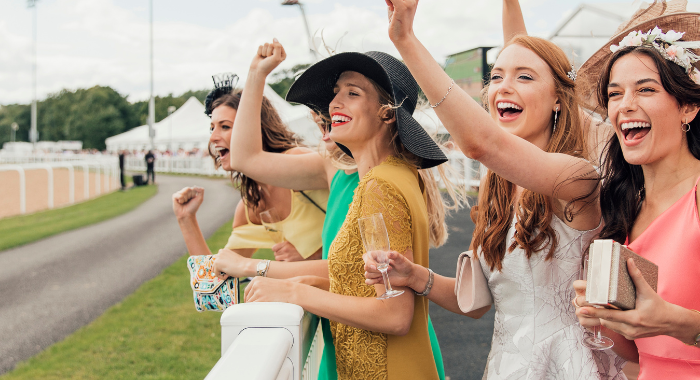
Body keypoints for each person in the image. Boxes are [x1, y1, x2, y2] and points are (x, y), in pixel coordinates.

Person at [364, 1, 626, 378]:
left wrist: (405, 40)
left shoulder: (579, 177)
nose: (504, 86)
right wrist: (414, 276)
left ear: (558, 99)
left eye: (524, 77)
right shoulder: (498, 188)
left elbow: (481, 144)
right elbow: (479, 302)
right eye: (497, 76)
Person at [213, 39, 461, 380]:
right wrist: (304, 279)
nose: (333, 103)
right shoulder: (391, 175)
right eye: (335, 92)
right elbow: (357, 276)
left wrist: (293, 289)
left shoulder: (380, 187)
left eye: (352, 93)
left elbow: (394, 315)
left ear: (386, 113)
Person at [571, 4, 700, 379]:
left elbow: (671, 329)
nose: (626, 105)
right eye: (615, 94)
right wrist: (605, 319)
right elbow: (640, 350)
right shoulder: (627, 204)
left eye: (645, 89)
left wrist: (673, 320)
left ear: (688, 106)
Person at [173, 80, 327, 262]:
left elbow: (361, 219)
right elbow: (218, 278)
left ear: (254, 129)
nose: (213, 138)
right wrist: (186, 218)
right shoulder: (251, 205)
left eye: (225, 126)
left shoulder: (298, 159)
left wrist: (317, 254)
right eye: (212, 128)